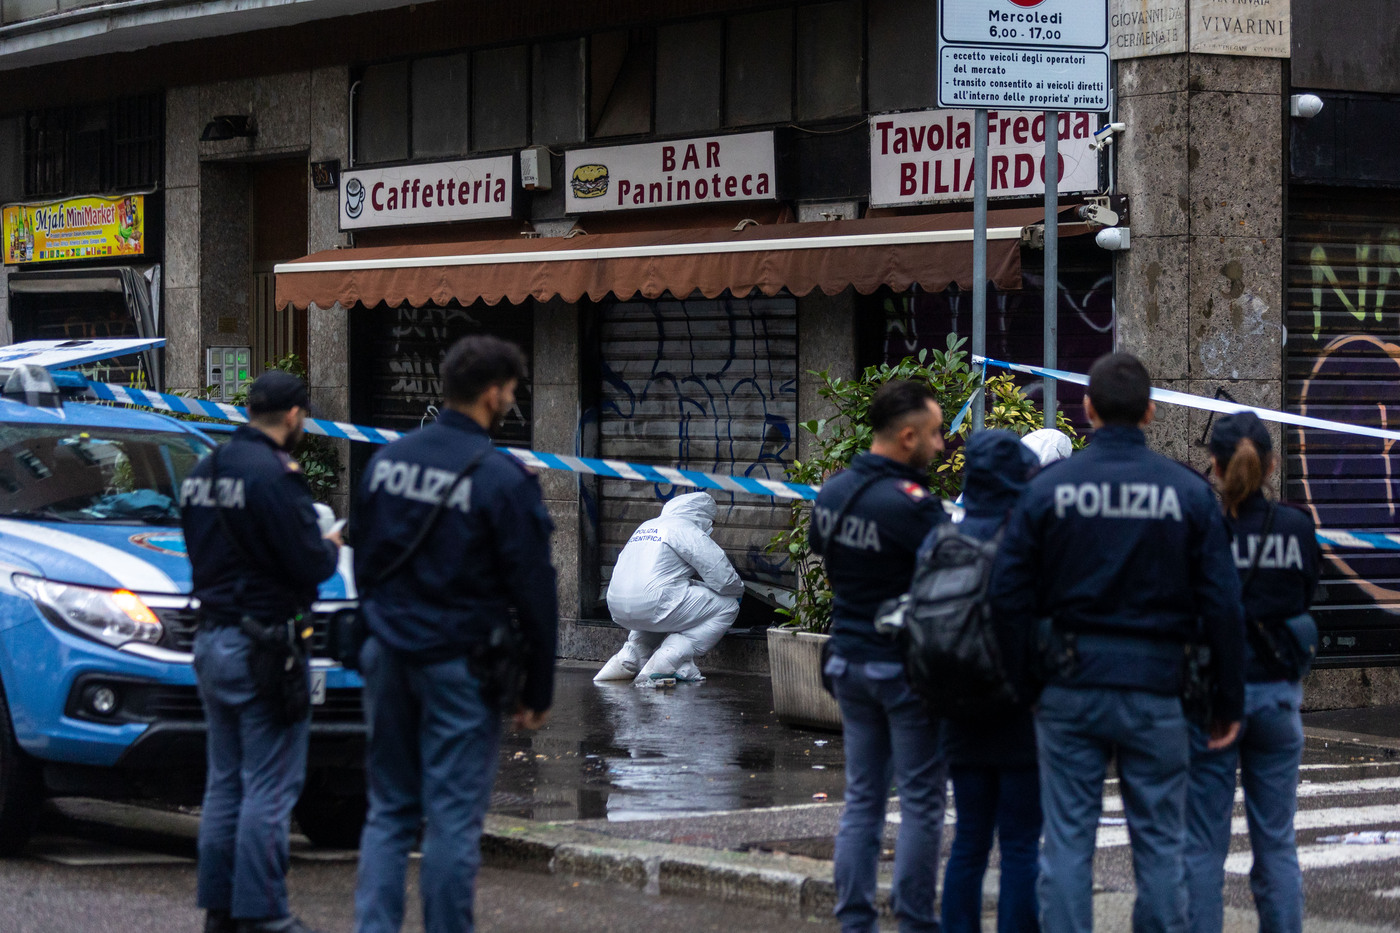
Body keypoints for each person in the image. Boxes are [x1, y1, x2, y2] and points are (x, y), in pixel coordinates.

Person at [992, 352, 1247, 933]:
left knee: (1066, 846)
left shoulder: (1048, 490)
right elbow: (1223, 605)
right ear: (1152, 412)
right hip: (1158, 690)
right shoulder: (1187, 493)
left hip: (1068, 688)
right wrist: (1227, 700)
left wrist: (1025, 681)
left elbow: (1006, 595)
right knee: (1160, 845)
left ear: (1086, 410)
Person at [352, 335, 558, 933]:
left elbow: (363, 560)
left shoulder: (386, 461)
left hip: (387, 654)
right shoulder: (501, 478)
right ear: (493, 393)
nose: (512, 400)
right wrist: (537, 690)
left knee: (388, 810)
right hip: (460, 666)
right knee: (451, 820)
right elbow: (536, 594)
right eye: (513, 390)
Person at [181, 371, 343, 933]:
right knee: (270, 786)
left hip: (212, 639)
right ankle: (264, 913)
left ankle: (221, 910)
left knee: (225, 782)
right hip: (264, 647)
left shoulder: (204, 469)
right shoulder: (275, 476)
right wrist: (328, 544)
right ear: (295, 415)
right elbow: (310, 564)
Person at [812, 379, 948, 933]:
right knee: (920, 801)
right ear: (908, 436)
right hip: (903, 671)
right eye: (936, 434)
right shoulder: (914, 508)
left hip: (848, 662)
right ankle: (915, 920)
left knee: (863, 799)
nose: (941, 446)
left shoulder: (834, 492)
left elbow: (829, 560)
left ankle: (855, 920)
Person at [1183, 412, 1320, 933]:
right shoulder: (1296, 526)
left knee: (1203, 847)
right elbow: (1306, 596)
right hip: (1277, 698)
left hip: (1216, 701)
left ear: (1214, 467)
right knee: (1277, 844)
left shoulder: (1204, 531)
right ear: (1272, 464)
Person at [940, 430, 1053, 933]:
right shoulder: (1026, 545)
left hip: (958, 710)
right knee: (1021, 845)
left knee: (968, 841)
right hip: (1019, 715)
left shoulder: (940, 540)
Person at [595, 491, 743, 684]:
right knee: (728, 606)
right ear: (701, 516)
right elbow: (722, 577)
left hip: (616, 605)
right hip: (654, 603)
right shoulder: (686, 529)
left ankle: (629, 657)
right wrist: (738, 591)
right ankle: (669, 658)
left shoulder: (646, 526)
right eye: (710, 521)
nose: (710, 527)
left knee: (663, 605)